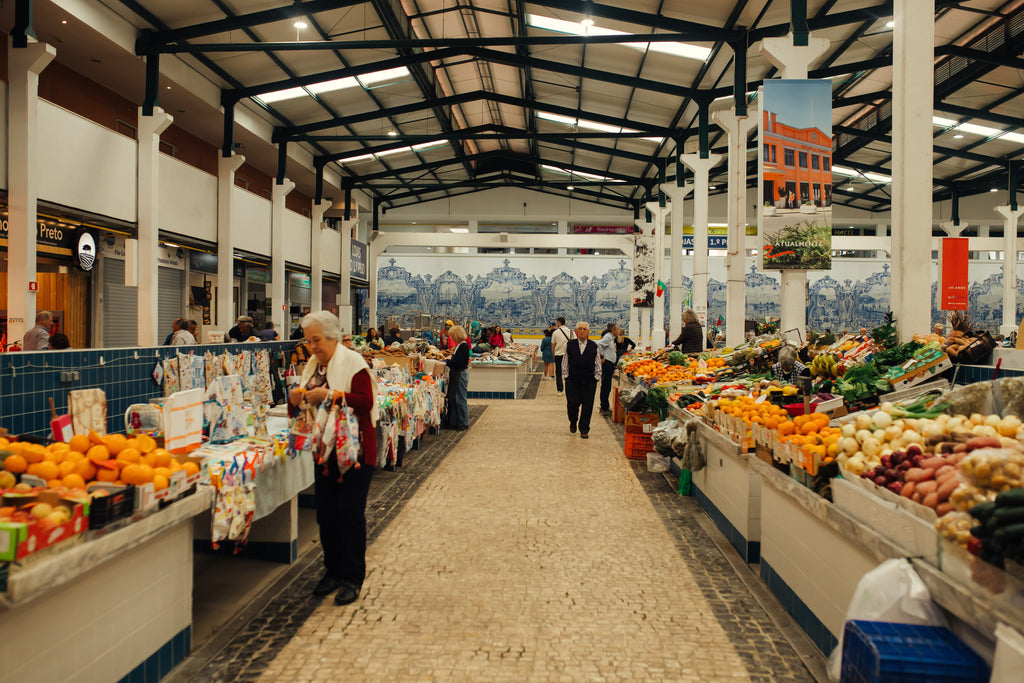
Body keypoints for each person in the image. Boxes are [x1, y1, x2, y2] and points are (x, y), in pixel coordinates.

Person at [288, 311, 379, 606]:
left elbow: (366, 403)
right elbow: (303, 410)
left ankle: (353, 576)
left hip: (355, 452)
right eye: (308, 340)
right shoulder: (313, 366)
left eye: (316, 340)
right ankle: (333, 570)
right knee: (326, 515)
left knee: (350, 515)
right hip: (324, 451)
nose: (312, 346)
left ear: (332, 337)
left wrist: (330, 395)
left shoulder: (353, 363)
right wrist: (295, 401)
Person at [562, 321, 601, 439]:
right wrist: (566, 377)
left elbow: (598, 362)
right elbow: (565, 362)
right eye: (580, 329)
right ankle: (573, 421)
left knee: (587, 405)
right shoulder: (570, 345)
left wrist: (596, 378)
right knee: (572, 404)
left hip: (589, 381)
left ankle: (584, 429)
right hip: (572, 381)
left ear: (588, 332)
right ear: (576, 331)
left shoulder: (594, 346)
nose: (582, 331)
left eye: (585, 329)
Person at [445, 325, 470, 430]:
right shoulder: (459, 346)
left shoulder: (463, 346)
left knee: (461, 399)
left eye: (453, 336)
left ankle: (463, 423)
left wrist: (447, 362)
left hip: (460, 374)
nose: (452, 338)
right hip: (457, 373)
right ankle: (456, 421)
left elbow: (459, 363)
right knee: (455, 398)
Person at [597, 323, 618, 415]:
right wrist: (601, 356)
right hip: (607, 365)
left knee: (607, 386)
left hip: (610, 364)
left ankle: (605, 406)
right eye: (617, 329)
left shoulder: (610, 338)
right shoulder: (608, 337)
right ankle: (604, 408)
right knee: (606, 386)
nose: (618, 331)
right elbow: (599, 345)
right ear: (612, 330)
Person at [551, 316, 572, 397]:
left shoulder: (555, 333)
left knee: (559, 373)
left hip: (558, 355)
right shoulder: (570, 332)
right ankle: (569, 388)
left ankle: (560, 390)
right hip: (568, 355)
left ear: (559, 322)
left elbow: (553, 345)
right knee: (568, 372)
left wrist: (553, 354)